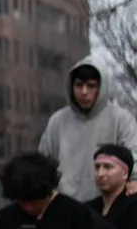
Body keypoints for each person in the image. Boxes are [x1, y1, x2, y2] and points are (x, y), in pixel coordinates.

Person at [39, 56, 137, 201]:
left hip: (106, 206)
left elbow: (133, 154)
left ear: (101, 88)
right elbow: (43, 163)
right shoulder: (57, 121)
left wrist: (134, 178)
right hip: (64, 206)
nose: (84, 92)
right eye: (79, 85)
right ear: (71, 87)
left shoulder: (120, 119)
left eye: (91, 86)